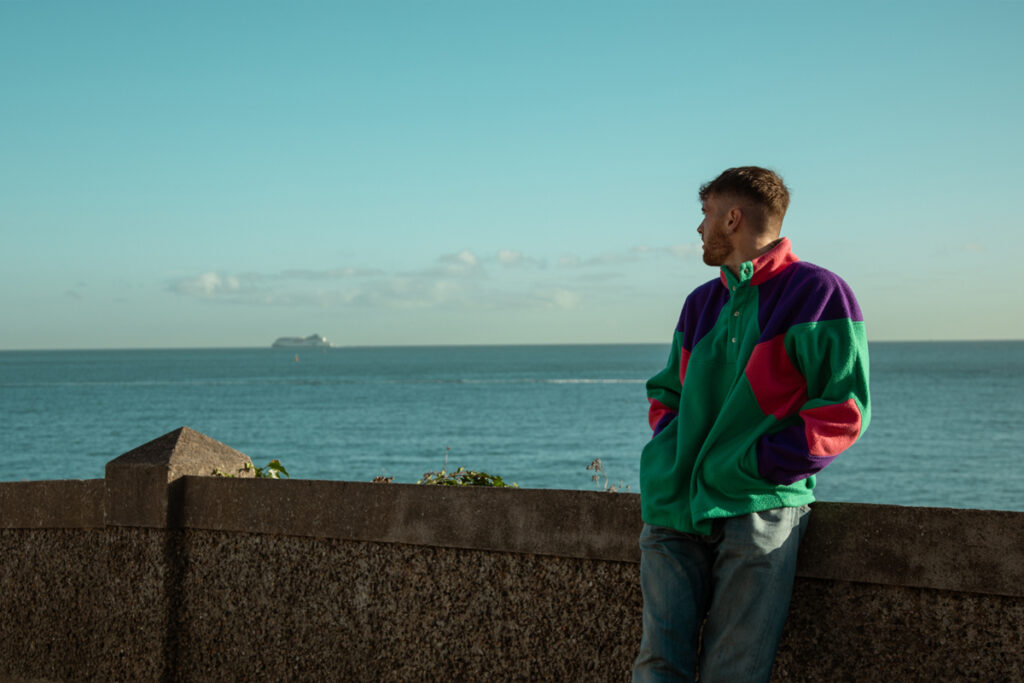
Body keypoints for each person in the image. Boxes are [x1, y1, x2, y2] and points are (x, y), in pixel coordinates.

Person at [632, 166, 870, 682]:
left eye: (706, 215)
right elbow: (667, 391)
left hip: (757, 509)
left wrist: (756, 466)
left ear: (733, 218)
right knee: (656, 667)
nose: (699, 228)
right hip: (674, 506)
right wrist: (671, 452)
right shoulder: (701, 301)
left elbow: (843, 410)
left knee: (735, 673)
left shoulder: (818, 292)